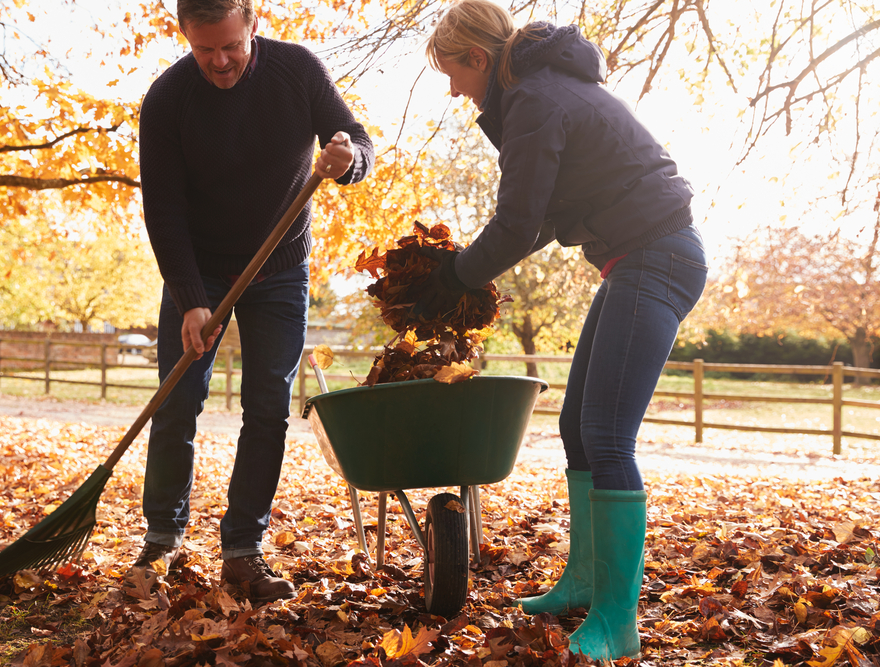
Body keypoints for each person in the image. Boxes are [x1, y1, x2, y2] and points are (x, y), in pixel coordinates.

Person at [422, 0, 707, 660]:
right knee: (579, 425)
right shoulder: (542, 92)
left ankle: (617, 620)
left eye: (453, 73)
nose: (454, 89)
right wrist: (464, 268)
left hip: (657, 255)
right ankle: (584, 579)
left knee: (607, 433)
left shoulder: (535, 99)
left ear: (478, 58)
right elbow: (544, 217)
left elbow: (520, 223)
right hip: (637, 257)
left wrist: (459, 275)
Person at [134, 0, 374, 605]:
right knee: (177, 401)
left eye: (231, 46)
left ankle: (243, 549)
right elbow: (163, 209)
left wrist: (348, 160)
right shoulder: (167, 99)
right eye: (204, 49)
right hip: (199, 269)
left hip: (280, 268)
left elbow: (359, 142)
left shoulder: (298, 71)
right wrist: (190, 298)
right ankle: (162, 538)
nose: (219, 61)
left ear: (253, 26)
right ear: (185, 36)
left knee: (267, 409)